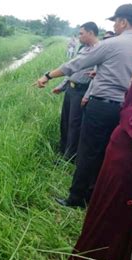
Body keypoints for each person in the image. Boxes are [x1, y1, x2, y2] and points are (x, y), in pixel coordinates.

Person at [35, 4, 132, 208]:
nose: (114, 26)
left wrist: (47, 76)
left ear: (123, 21)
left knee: (88, 151)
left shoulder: (112, 44)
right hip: (129, 110)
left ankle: (76, 198)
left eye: (116, 21)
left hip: (102, 107)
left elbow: (76, 64)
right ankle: (95, 196)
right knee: (109, 153)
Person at [68, 46, 132, 260]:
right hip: (113, 180)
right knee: (100, 222)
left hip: (127, 190)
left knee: (111, 231)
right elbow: (128, 105)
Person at [52, 22, 99, 161]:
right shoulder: (83, 48)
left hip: (81, 92)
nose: (79, 36)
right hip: (71, 90)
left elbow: (97, 77)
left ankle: (69, 157)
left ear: (90, 33)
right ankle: (63, 150)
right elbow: (72, 69)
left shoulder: (100, 50)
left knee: (75, 124)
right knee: (65, 121)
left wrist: (87, 95)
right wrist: (62, 85)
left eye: (81, 33)